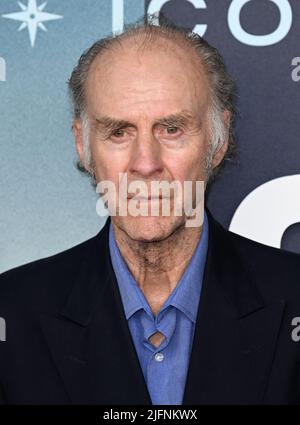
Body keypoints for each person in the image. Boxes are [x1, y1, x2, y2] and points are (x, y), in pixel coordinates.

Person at [1, 17, 300, 405]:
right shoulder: (12, 315)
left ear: (218, 140)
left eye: (171, 129)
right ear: (83, 145)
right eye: (119, 132)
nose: (145, 163)